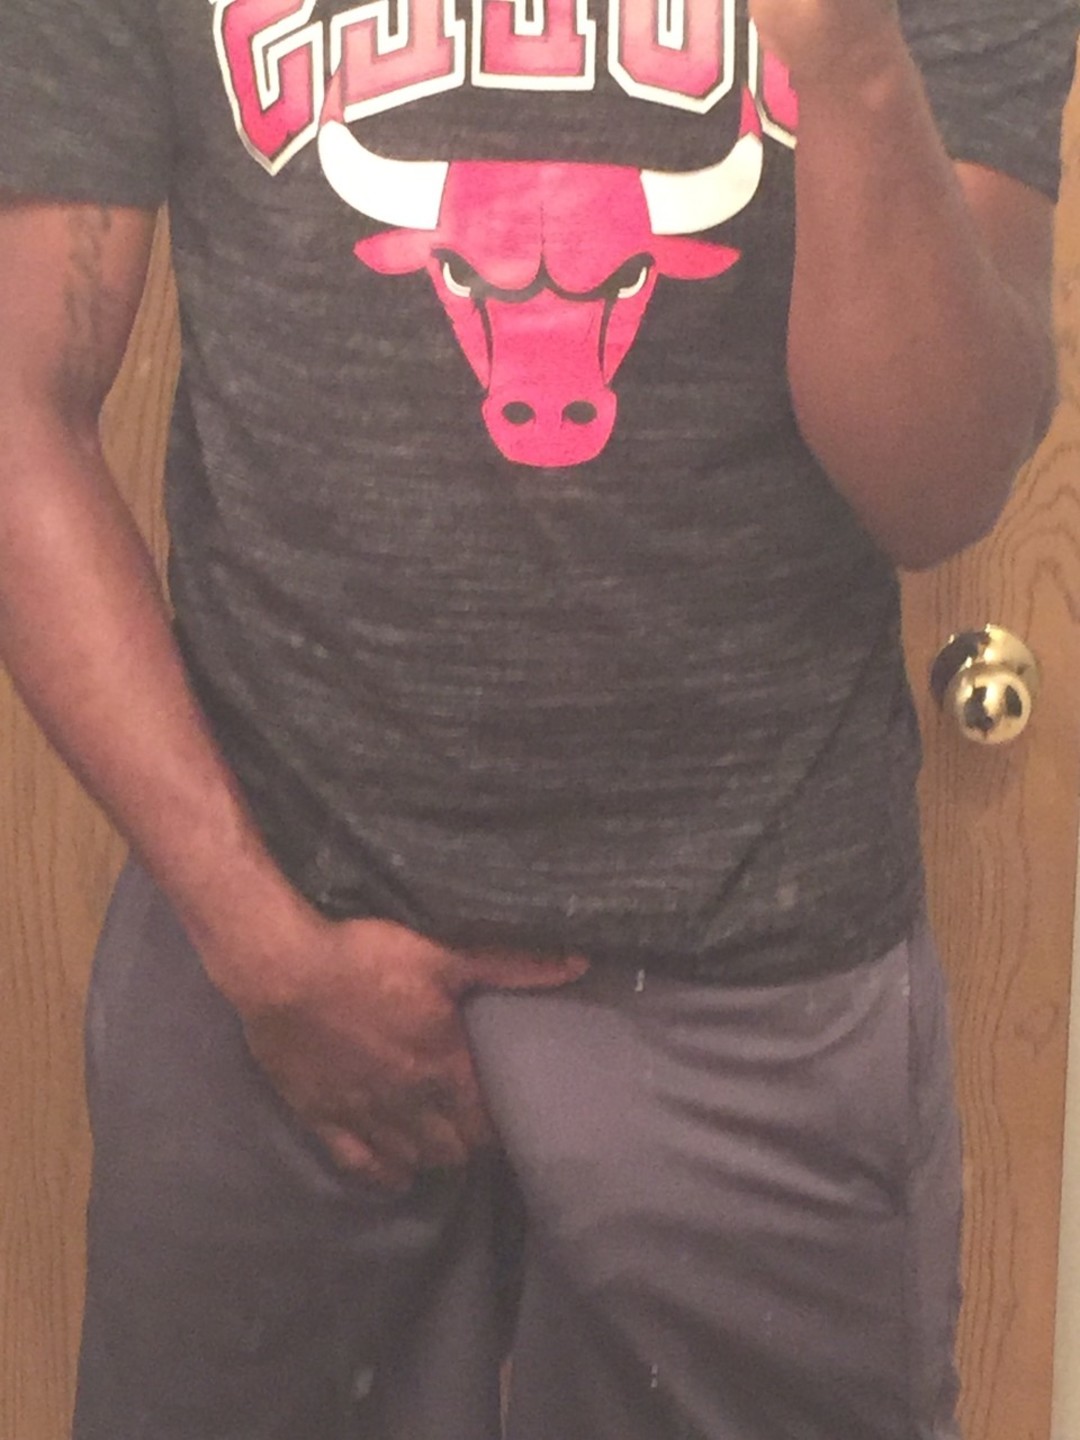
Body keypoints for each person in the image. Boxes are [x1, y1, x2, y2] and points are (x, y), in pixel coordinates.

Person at [0, 0, 1075, 1434]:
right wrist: (256, 940)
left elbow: (937, 493)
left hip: (758, 967)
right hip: (265, 950)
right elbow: (18, 409)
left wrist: (852, 57)